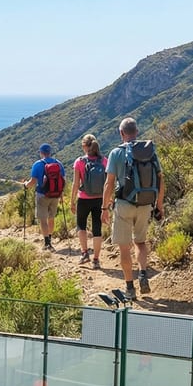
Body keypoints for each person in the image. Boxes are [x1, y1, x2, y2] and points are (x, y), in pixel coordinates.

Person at [102, 117, 164, 300]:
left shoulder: (116, 153)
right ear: (136, 132)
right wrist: (159, 205)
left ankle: (130, 288)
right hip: (145, 204)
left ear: (121, 133)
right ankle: (143, 273)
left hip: (124, 204)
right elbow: (161, 179)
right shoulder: (150, 151)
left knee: (124, 248)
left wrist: (104, 208)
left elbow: (109, 183)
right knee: (140, 242)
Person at [70, 134, 107, 269]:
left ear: (85, 146)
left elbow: (75, 184)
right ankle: (96, 260)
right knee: (97, 229)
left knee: (81, 226)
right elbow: (108, 183)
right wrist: (108, 201)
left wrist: (72, 201)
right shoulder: (104, 161)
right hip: (99, 199)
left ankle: (85, 253)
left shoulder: (79, 162)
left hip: (83, 199)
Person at [22, 143, 65, 251]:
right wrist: (61, 194)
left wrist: (26, 185)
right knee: (51, 217)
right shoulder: (58, 164)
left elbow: (33, 182)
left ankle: (47, 243)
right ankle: (49, 238)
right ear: (50, 152)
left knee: (43, 219)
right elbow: (63, 180)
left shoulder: (37, 164)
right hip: (55, 195)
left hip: (42, 195)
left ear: (41, 153)